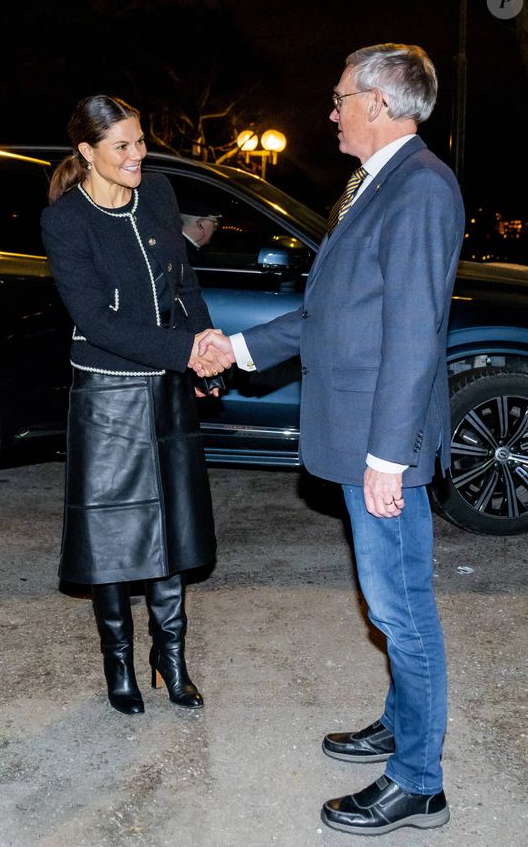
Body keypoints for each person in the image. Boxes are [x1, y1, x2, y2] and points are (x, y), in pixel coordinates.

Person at [199, 44, 465, 834]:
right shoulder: (372, 184)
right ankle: (401, 719)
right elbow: (331, 310)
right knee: (390, 605)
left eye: (341, 95)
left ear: (380, 104)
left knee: (402, 606)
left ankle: (420, 780)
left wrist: (390, 454)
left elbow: (414, 331)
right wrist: (237, 348)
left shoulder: (420, 188)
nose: (332, 109)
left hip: (382, 443)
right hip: (359, 432)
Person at [40, 94, 232, 716]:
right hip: (107, 393)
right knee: (115, 533)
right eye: (121, 147)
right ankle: (118, 662)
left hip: (168, 387)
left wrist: (204, 349)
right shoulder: (67, 221)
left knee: (171, 526)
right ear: (87, 152)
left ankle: (170, 658)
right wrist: (186, 350)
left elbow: (186, 284)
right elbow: (95, 321)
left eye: (140, 141)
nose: (137, 156)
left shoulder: (160, 195)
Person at [178, 197, 222, 263]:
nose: (215, 229)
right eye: (215, 223)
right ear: (200, 224)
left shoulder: (178, 246)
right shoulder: (189, 258)